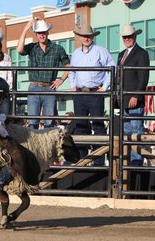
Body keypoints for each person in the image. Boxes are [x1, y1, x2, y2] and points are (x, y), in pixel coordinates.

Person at [69, 24, 115, 166]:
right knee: (80, 126)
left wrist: (105, 87)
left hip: (95, 93)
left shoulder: (101, 51)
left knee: (98, 126)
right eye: (84, 36)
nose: (86, 38)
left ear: (92, 37)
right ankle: (81, 161)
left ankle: (99, 162)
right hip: (80, 94)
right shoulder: (76, 53)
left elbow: (112, 68)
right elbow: (72, 71)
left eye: (88, 36)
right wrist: (73, 85)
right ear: (80, 37)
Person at [17, 18, 70, 129]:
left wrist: (61, 79)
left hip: (49, 87)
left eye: (43, 32)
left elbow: (68, 66)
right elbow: (20, 50)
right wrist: (25, 29)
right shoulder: (32, 47)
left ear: (47, 32)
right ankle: (33, 146)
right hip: (34, 86)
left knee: (49, 123)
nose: (41, 35)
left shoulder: (57, 48)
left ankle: (48, 146)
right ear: (36, 34)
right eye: (39, 33)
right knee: (32, 122)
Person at [117, 24, 150, 194]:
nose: (127, 39)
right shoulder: (121, 55)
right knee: (126, 135)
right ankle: (129, 165)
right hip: (123, 101)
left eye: (129, 36)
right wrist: (117, 98)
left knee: (135, 133)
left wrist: (136, 96)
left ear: (134, 36)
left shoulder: (142, 53)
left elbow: (143, 76)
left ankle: (136, 168)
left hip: (134, 101)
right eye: (124, 37)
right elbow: (118, 78)